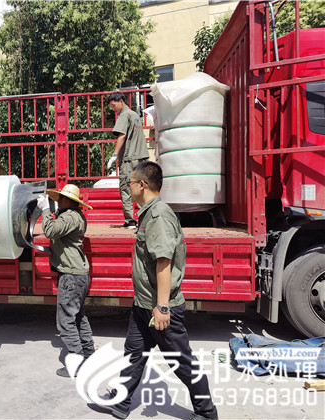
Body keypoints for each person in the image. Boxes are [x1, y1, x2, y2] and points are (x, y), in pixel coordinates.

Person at [98, 162, 218, 420]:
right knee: (134, 353)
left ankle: (207, 412)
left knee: (180, 361)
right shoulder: (147, 213)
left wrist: (162, 307)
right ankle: (121, 402)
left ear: (142, 185)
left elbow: (164, 262)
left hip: (160, 307)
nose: (128, 187)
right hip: (143, 304)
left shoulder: (158, 216)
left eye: (131, 182)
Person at [36, 184, 95, 377]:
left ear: (69, 201)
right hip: (77, 275)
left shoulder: (70, 217)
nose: (58, 201)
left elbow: (50, 231)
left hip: (71, 276)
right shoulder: (74, 216)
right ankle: (88, 355)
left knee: (66, 321)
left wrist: (45, 210)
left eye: (60, 198)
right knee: (78, 318)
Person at [106, 92, 149, 229]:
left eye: (114, 105)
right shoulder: (135, 115)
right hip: (140, 157)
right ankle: (145, 218)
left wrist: (114, 154)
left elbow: (122, 135)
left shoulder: (124, 115)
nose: (113, 109)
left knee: (126, 188)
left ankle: (130, 221)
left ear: (121, 101)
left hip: (129, 159)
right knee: (141, 187)